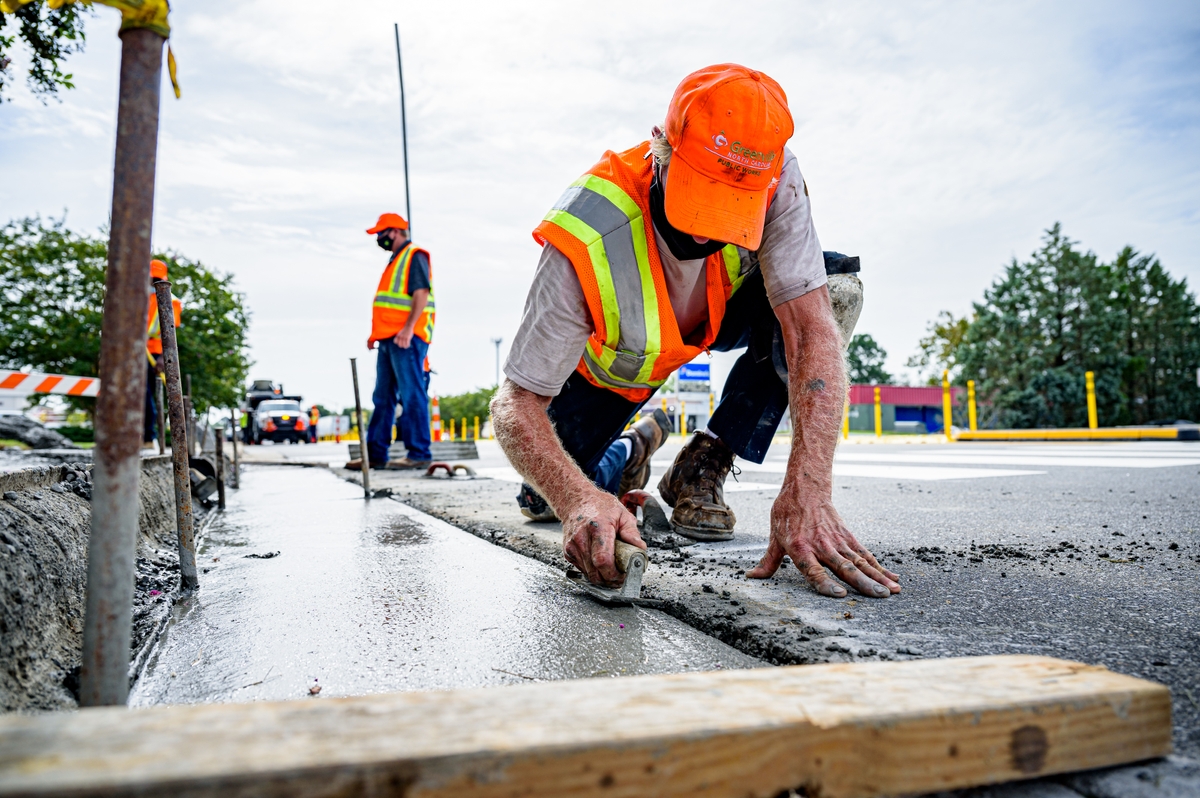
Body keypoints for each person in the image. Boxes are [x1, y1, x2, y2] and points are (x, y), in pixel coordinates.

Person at [491, 64, 900, 599]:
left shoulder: (774, 177)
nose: (710, 233)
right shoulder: (587, 234)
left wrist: (811, 489)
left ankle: (705, 459)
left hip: (718, 314)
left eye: (729, 216)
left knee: (837, 292)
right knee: (546, 502)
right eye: (698, 205)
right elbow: (515, 405)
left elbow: (812, 333)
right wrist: (577, 499)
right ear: (662, 150)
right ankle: (630, 451)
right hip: (615, 371)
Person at [345, 213, 434, 471]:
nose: (379, 238)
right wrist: (376, 335)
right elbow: (389, 304)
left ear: (394, 232)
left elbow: (421, 293)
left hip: (406, 339)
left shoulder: (414, 255)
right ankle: (375, 456)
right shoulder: (395, 260)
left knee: (412, 395)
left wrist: (407, 330)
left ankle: (419, 453)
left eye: (381, 233)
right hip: (389, 339)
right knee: (382, 397)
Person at [145, 259, 181, 446]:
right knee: (139, 392)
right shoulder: (138, 297)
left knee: (146, 392)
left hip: (153, 354)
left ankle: (148, 437)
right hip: (137, 351)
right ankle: (144, 436)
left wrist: (161, 357)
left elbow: (168, 332)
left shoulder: (171, 301)